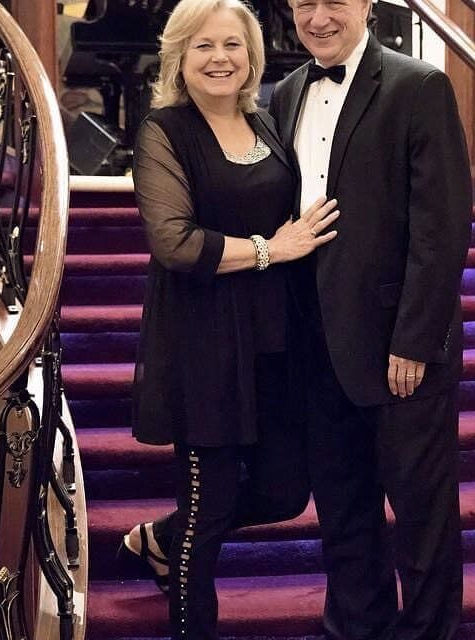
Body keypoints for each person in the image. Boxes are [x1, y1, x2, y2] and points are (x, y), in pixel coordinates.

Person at [120, 0, 339, 637]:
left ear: (253, 56)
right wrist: (276, 248)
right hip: (204, 344)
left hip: (275, 341)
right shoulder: (164, 131)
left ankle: (163, 538)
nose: (220, 59)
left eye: (232, 46)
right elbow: (176, 243)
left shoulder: (269, 123)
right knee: (207, 510)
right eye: (203, 47)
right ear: (179, 58)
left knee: (284, 492)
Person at [267, 0, 473, 638]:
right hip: (316, 343)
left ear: (365, 6)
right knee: (344, 513)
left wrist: (413, 340)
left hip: (397, 348)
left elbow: (442, 230)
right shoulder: (284, 93)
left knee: (422, 519)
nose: (319, 18)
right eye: (305, 5)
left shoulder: (419, 86)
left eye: (335, 2)